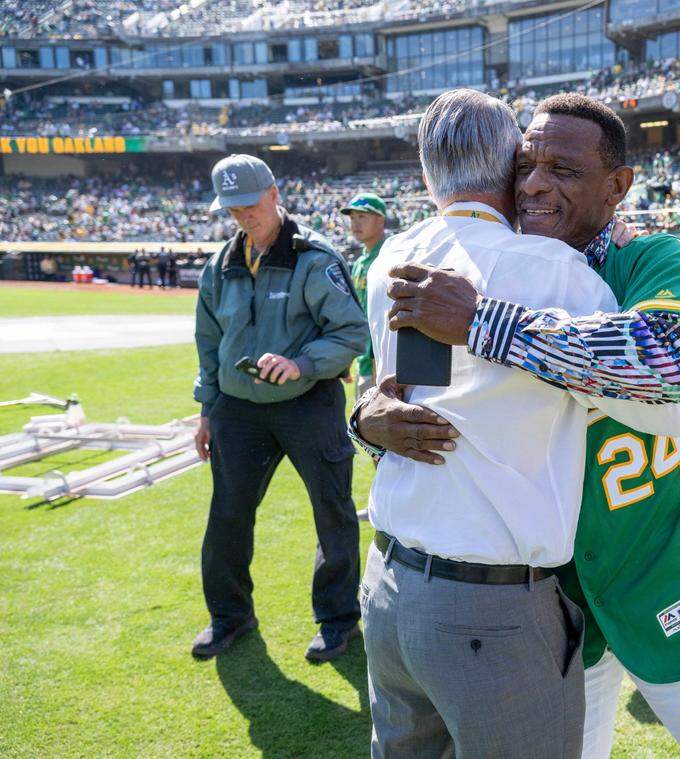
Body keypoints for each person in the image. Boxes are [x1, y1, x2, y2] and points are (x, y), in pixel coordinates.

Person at [358, 93, 680, 759]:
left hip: (657, 572)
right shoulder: (497, 259)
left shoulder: (650, 258)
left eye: (565, 170)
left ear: (618, 187)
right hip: (555, 602)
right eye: (524, 165)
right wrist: (365, 415)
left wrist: (483, 322)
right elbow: (411, 386)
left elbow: (672, 380)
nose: (535, 184)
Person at [357, 89, 620, 759]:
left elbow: (410, 384)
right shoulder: (561, 272)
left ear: (425, 175)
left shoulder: (389, 257)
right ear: (511, 168)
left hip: (389, 585)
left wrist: (362, 413)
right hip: (493, 606)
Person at [190, 154, 369, 662]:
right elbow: (208, 340)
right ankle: (230, 615)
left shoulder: (314, 258)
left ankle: (337, 621)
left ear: (273, 193)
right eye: (232, 209)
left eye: (250, 204)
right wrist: (207, 407)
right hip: (236, 408)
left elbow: (352, 333)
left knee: (331, 512)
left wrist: (301, 362)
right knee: (227, 514)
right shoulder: (220, 264)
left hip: (307, 402)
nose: (244, 217)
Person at [339, 192, 387, 399]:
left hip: (383, 360)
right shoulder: (359, 264)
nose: (355, 224)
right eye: (352, 218)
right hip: (364, 357)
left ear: (380, 220)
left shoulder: (390, 256)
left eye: (363, 217)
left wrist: (381, 357)